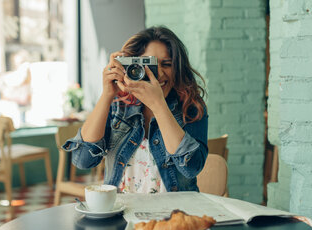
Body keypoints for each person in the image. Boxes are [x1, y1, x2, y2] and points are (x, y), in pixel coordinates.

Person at [63, 26, 208, 193]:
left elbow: (192, 167)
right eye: (148, 64)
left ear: (178, 69)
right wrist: (107, 95)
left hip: (175, 215)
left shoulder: (190, 107)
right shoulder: (119, 106)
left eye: (167, 64)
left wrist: (158, 105)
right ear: (133, 67)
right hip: (120, 213)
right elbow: (82, 160)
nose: (158, 73)